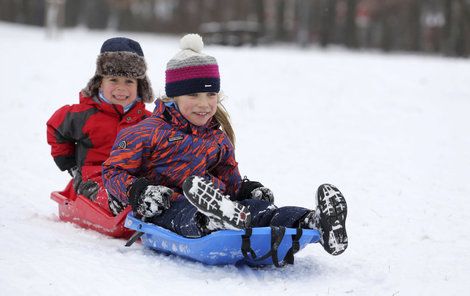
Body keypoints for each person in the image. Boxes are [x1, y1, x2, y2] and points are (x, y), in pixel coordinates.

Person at [102, 34, 348, 255]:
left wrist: (246, 191)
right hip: (166, 208)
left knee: (260, 211)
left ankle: (312, 222)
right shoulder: (146, 131)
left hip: (221, 203)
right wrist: (139, 192)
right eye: (193, 95)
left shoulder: (217, 138)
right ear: (172, 97)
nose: (204, 104)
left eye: (211, 95)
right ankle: (212, 221)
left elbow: (229, 179)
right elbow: (113, 171)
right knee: (183, 213)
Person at [47, 37, 153, 213]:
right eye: (113, 80)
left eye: (129, 82)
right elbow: (55, 127)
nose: (121, 88)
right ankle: (116, 204)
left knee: (150, 187)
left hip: (132, 179)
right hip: (93, 177)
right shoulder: (83, 114)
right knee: (100, 192)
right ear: (100, 82)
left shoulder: (147, 121)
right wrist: (70, 163)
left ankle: (155, 204)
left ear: (140, 86)